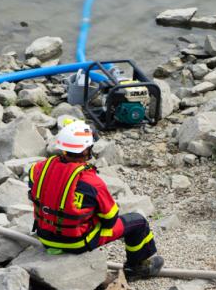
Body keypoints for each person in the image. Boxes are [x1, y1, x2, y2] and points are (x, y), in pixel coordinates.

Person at [28, 119, 164, 279]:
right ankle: (137, 268)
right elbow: (110, 219)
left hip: (45, 235)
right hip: (75, 242)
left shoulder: (38, 168)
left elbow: (36, 193)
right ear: (86, 150)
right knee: (138, 222)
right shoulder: (91, 182)